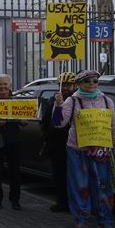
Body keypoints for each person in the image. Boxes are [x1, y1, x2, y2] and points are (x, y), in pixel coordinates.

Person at [52, 69, 115, 228]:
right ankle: (81, 220)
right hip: (78, 152)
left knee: (103, 187)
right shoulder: (73, 100)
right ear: (79, 84)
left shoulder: (107, 101)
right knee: (80, 187)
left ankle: (106, 221)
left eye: (95, 81)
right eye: (87, 81)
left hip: (101, 153)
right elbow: (59, 124)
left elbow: (114, 129)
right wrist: (59, 105)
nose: (91, 84)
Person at [0, 74, 27, 210]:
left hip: (13, 139)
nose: (3, 87)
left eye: (5, 84)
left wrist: (23, 121)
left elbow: (25, 118)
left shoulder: (17, 102)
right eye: (0, 84)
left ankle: (15, 199)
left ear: (10, 86)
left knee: (14, 171)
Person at [41, 71, 76, 212]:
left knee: (74, 176)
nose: (65, 88)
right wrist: (45, 135)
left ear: (74, 85)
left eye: (68, 85)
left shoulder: (77, 100)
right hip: (56, 144)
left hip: (75, 144)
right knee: (59, 175)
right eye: (63, 85)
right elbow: (47, 121)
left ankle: (75, 203)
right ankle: (62, 202)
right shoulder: (52, 100)